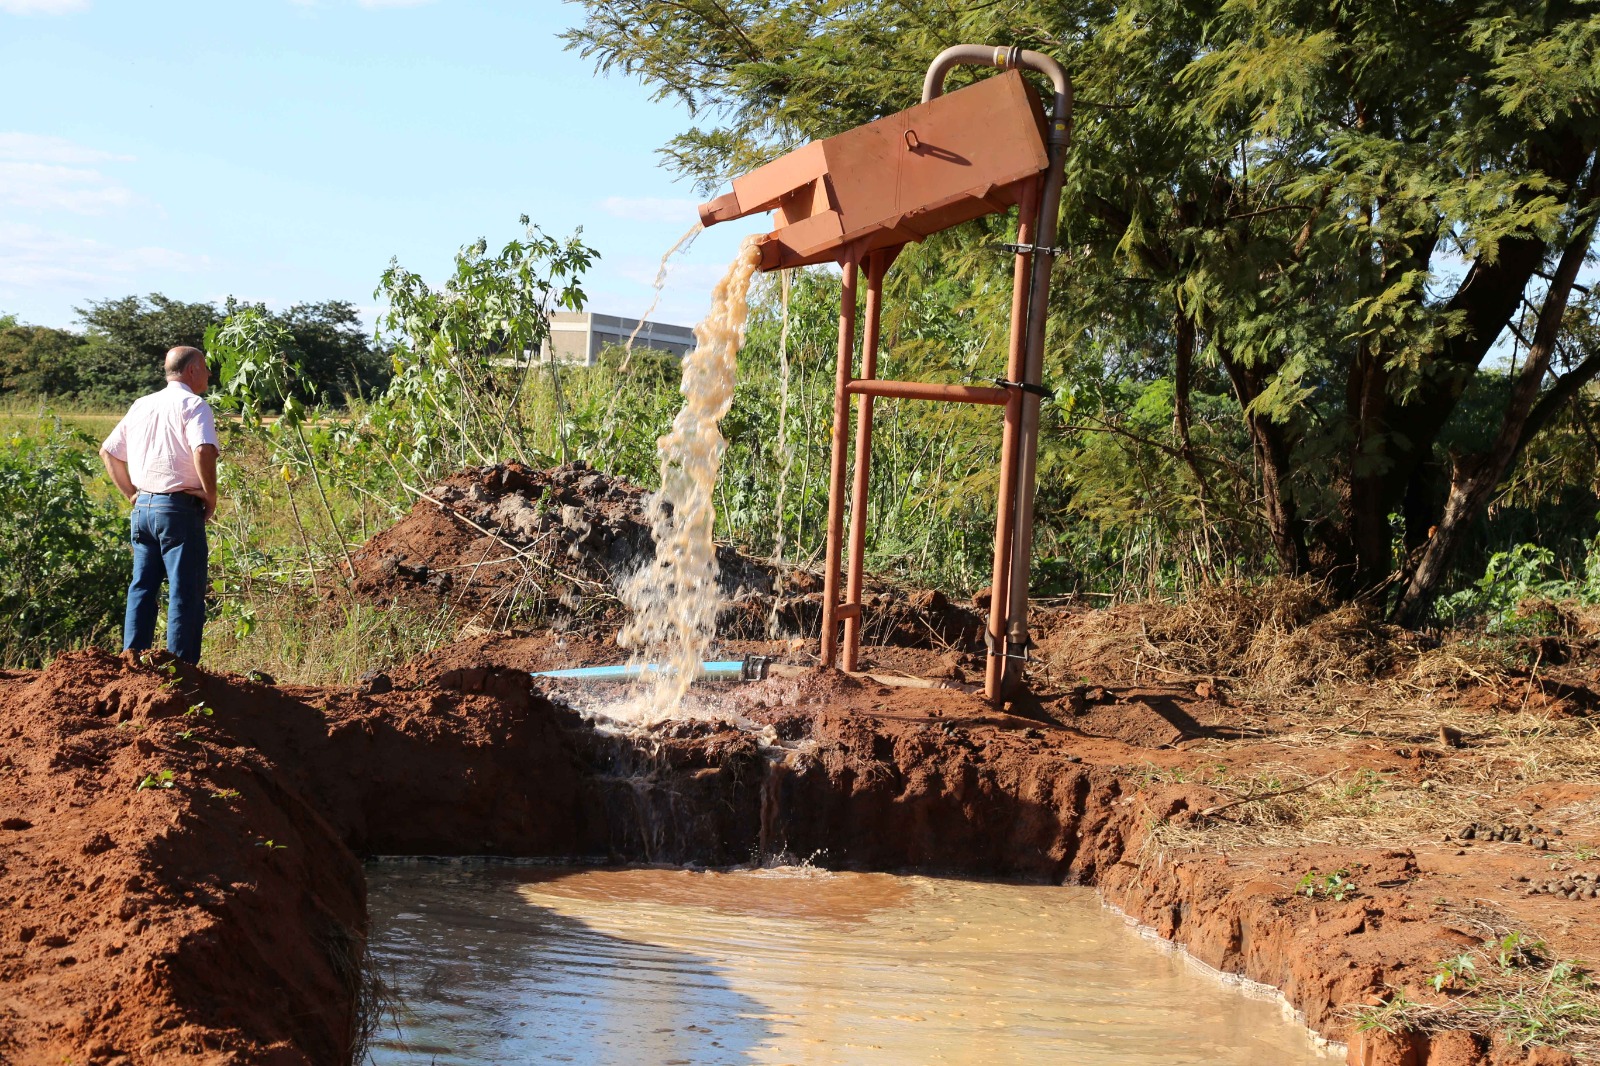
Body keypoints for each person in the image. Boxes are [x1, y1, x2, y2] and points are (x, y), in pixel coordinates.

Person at [99, 346, 220, 664]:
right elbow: (204, 449)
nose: (209, 374)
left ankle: (131, 664)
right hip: (178, 511)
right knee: (185, 592)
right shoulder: (194, 405)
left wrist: (131, 494)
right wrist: (210, 494)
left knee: (142, 588)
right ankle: (181, 674)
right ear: (192, 370)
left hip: (143, 511)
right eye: (205, 367)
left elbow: (108, 452)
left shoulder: (142, 404)